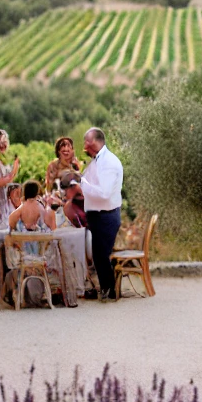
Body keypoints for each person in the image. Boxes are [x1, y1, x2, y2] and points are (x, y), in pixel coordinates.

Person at [79, 127, 124, 301]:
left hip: (106, 216)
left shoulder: (108, 162)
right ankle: (106, 288)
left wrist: (82, 183)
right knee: (98, 254)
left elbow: (104, 193)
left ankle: (109, 290)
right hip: (98, 216)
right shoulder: (98, 160)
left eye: (85, 142)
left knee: (101, 255)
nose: (84, 146)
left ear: (93, 142)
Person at [45, 137, 86, 228]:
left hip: (77, 202)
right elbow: (49, 188)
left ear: (72, 150)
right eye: (63, 147)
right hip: (60, 202)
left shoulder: (75, 164)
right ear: (58, 151)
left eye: (68, 147)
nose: (66, 149)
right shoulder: (53, 166)